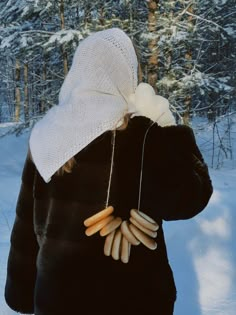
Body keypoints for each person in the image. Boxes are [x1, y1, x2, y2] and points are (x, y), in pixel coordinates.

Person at [5, 28, 213, 315]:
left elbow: (27, 224)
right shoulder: (144, 132)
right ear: (124, 71)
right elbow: (191, 198)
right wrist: (169, 130)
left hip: (58, 299)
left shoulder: (45, 133)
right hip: (132, 299)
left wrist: (22, 292)